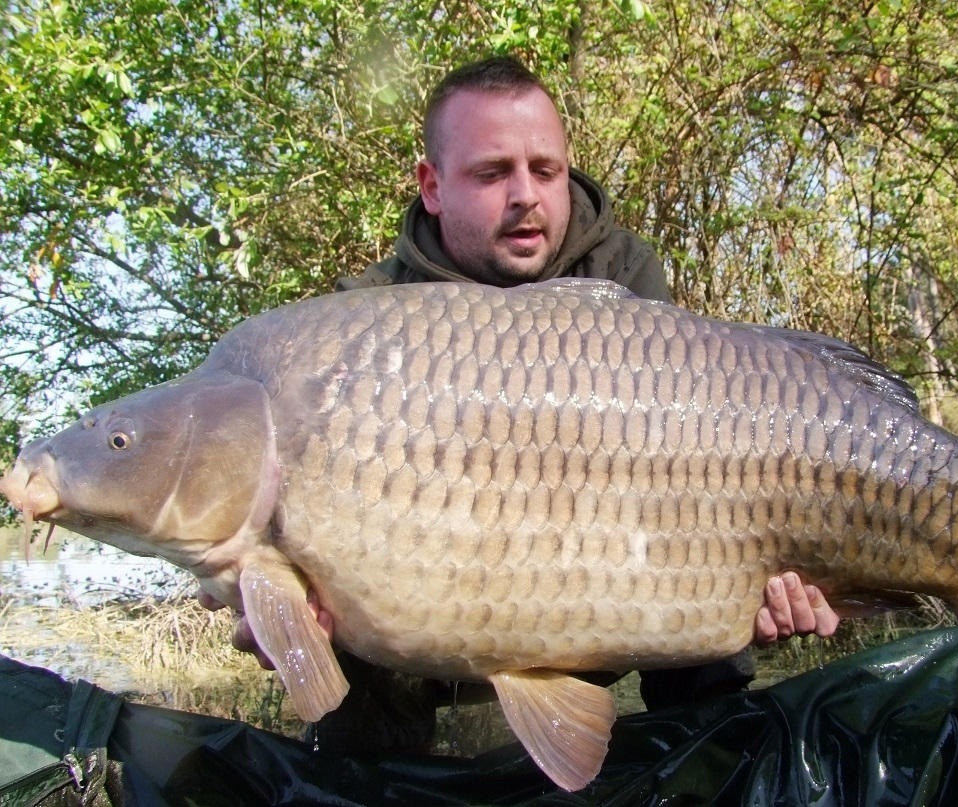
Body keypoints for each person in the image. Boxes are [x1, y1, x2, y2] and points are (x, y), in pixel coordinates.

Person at [226, 55, 840, 755]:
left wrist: (767, 589)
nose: (527, 195)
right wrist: (280, 612)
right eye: (492, 174)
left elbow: (687, 460)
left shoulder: (621, 272)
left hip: (613, 566)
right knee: (349, 609)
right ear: (432, 186)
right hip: (432, 603)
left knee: (695, 544)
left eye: (545, 170)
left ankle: (703, 769)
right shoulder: (361, 317)